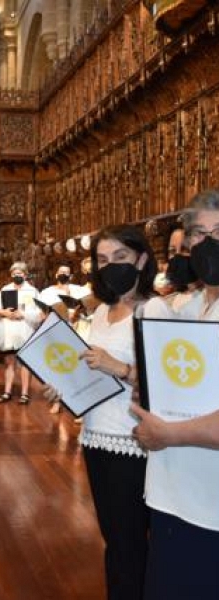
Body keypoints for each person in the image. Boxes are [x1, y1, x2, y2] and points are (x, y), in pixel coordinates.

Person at [43, 224, 157, 600]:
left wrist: (121, 369)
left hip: (134, 440)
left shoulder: (154, 310)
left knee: (129, 542)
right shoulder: (103, 312)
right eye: (103, 260)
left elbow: (165, 385)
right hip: (95, 435)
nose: (111, 267)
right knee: (112, 536)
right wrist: (65, 385)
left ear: (141, 259)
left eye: (120, 258)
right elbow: (91, 368)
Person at [131, 189, 219, 600]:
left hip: (211, 507)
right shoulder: (189, 307)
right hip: (170, 495)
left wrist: (170, 435)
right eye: (200, 233)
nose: (209, 243)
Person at [40, 263, 90, 413]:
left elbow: (86, 308)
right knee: (59, 368)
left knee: (79, 369)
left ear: (71, 276)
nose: (63, 274)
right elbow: (42, 313)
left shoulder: (79, 290)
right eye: (61, 272)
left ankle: (78, 404)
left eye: (67, 272)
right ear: (56, 275)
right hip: (56, 331)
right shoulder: (47, 292)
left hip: (77, 331)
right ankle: (58, 401)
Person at [0, 261, 40, 404]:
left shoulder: (32, 291)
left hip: (25, 330)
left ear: (25, 275)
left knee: (25, 363)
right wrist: (5, 312)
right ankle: (7, 392)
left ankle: (25, 394)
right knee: (9, 363)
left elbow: (39, 312)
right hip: (8, 331)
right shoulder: (5, 289)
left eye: (19, 273)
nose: (16, 275)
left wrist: (23, 314)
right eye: (14, 273)